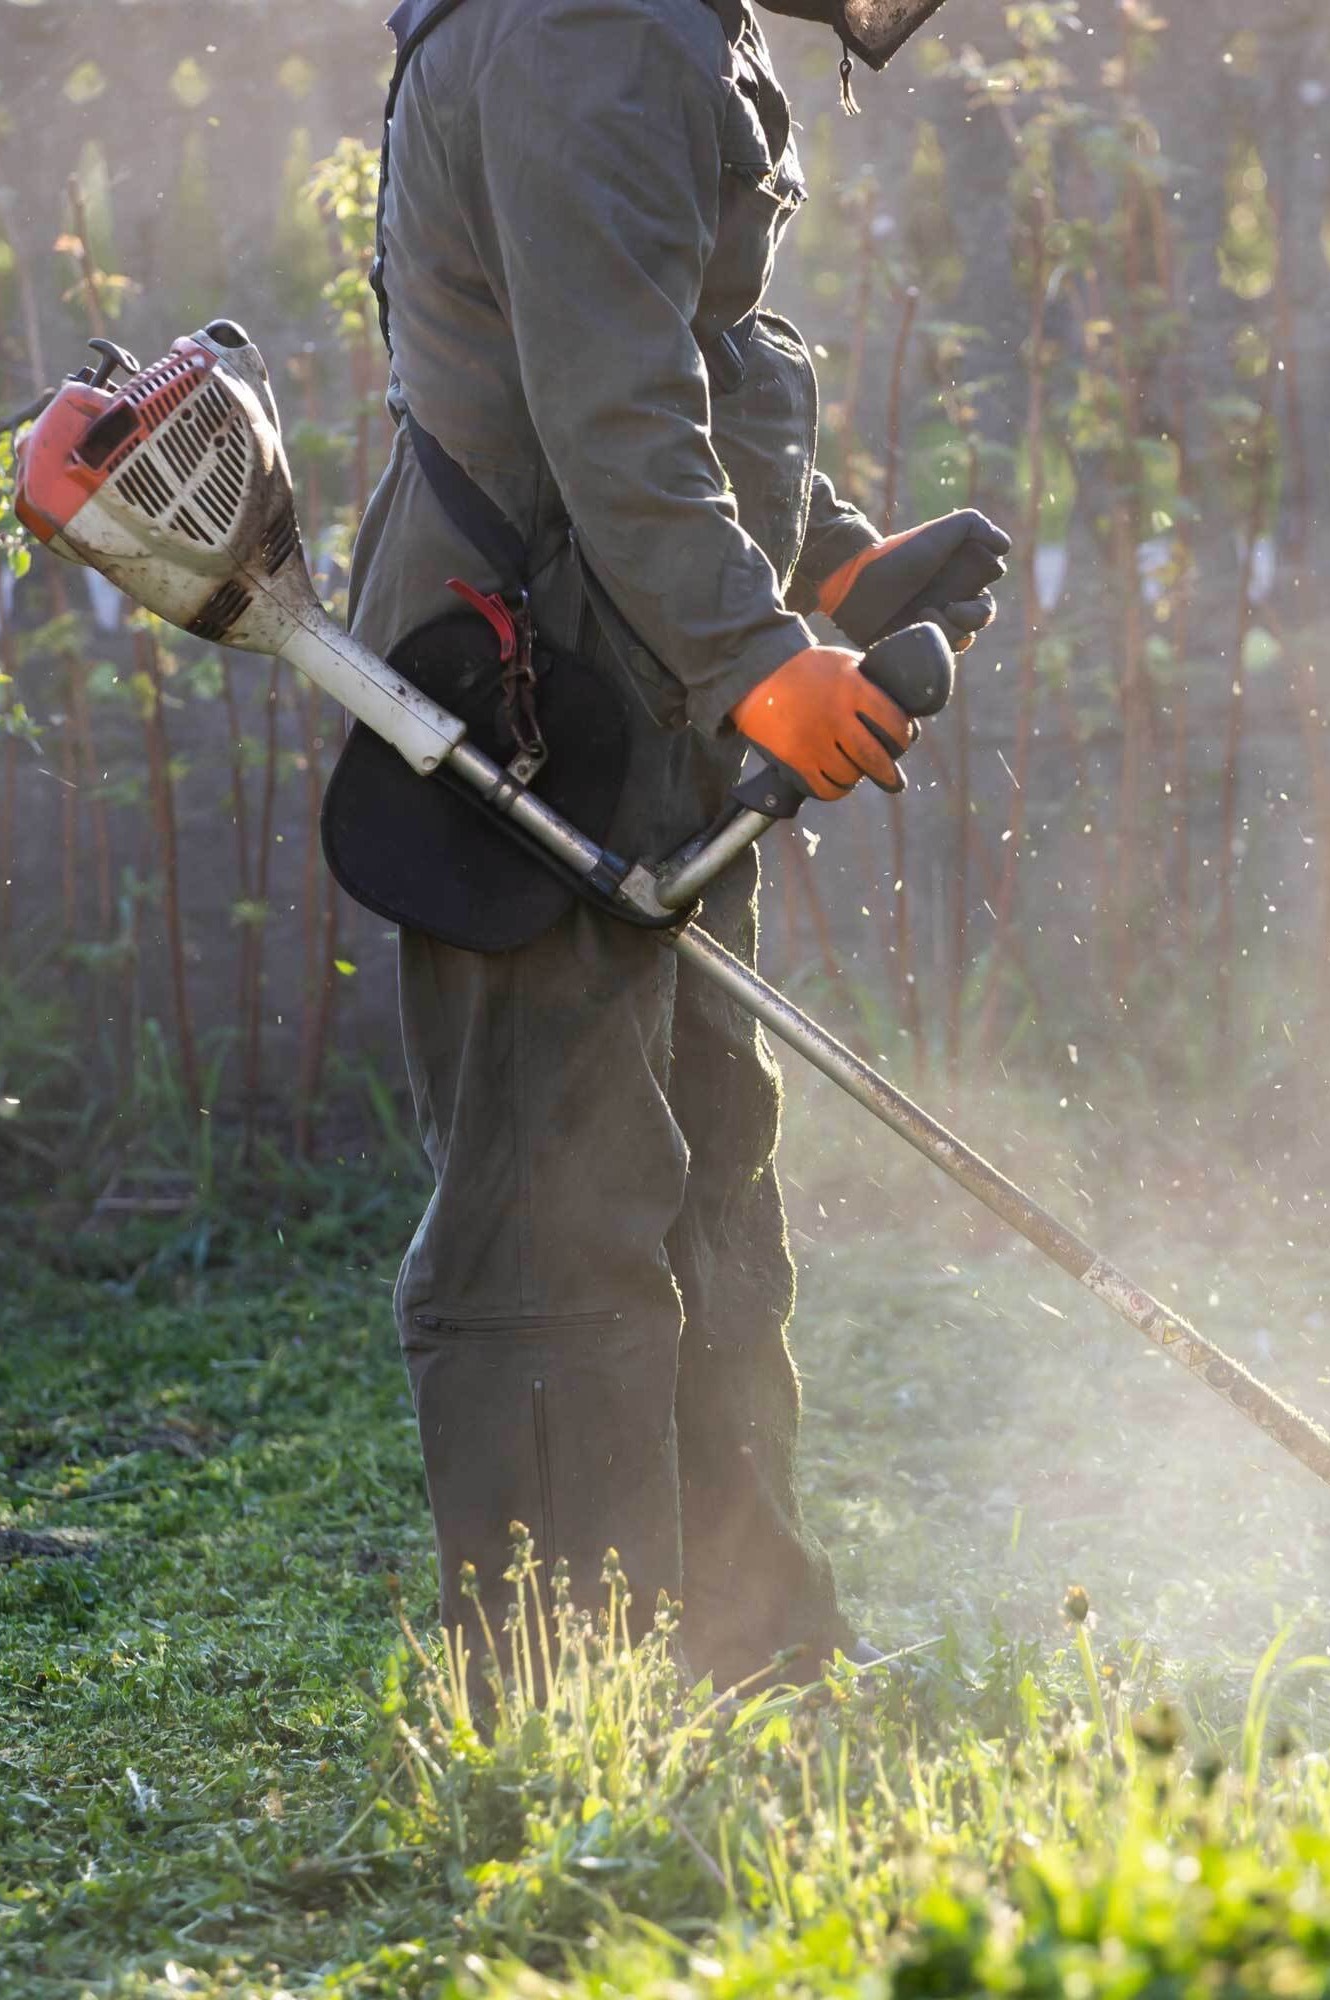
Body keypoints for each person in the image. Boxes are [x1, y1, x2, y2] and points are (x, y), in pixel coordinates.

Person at [346, 0, 1004, 1684]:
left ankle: (742, 1646)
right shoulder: (580, 27)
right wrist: (755, 654)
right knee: (557, 1197)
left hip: (638, 682)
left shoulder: (675, 25)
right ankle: (570, 1683)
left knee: (709, 1158)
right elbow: (606, 410)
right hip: (530, 689)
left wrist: (826, 568)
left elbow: (691, 359)